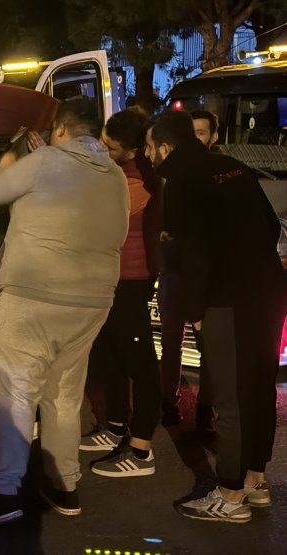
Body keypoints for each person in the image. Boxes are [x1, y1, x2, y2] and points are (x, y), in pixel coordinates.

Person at [0, 97, 129, 522]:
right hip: (93, 303)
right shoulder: (114, 173)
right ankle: (65, 487)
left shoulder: (43, 163)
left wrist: (8, 164)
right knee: (63, 396)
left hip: (34, 300)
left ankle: (3, 495)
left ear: (59, 129)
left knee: (16, 395)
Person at [144, 110, 286, 523]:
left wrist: (196, 311)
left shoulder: (183, 181)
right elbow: (270, 228)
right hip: (269, 290)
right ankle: (255, 480)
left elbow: (194, 254)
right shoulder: (232, 167)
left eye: (150, 148)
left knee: (230, 396)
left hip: (228, 298)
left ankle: (229, 493)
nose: (148, 156)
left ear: (166, 147)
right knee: (259, 387)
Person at [80, 110, 162, 478]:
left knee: (140, 363)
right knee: (107, 355)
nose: (102, 148)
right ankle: (114, 427)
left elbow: (93, 217)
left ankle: (141, 449)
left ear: (131, 151)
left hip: (130, 280)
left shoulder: (137, 180)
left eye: (110, 147)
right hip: (109, 280)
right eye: (101, 139)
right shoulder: (114, 171)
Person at [158, 109, 219, 432]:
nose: (197, 138)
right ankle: (168, 402)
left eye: (202, 132)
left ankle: (205, 409)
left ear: (213, 136)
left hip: (202, 273)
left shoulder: (216, 174)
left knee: (207, 344)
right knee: (170, 342)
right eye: (192, 132)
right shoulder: (171, 174)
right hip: (173, 271)